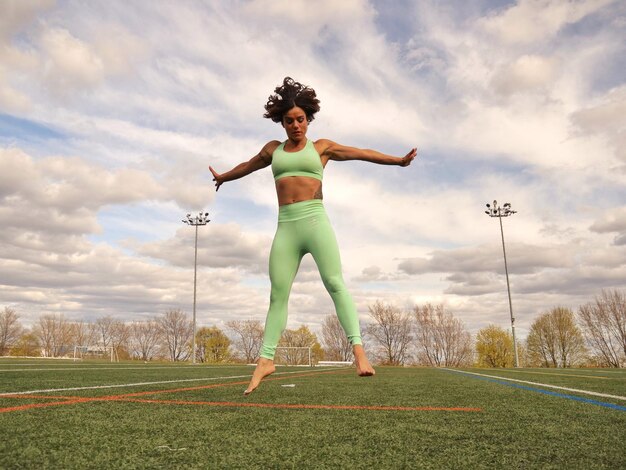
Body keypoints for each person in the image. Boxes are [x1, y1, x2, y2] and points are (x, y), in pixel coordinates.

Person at [210, 77, 417, 395]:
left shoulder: (321, 147)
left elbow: (361, 152)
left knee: (334, 282)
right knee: (278, 294)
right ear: (282, 122)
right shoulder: (273, 151)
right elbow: (248, 166)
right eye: (289, 121)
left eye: (300, 120)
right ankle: (266, 360)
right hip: (286, 228)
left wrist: (398, 161)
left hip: (315, 223)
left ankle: (358, 352)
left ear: (308, 119)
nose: (296, 126)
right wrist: (224, 176)